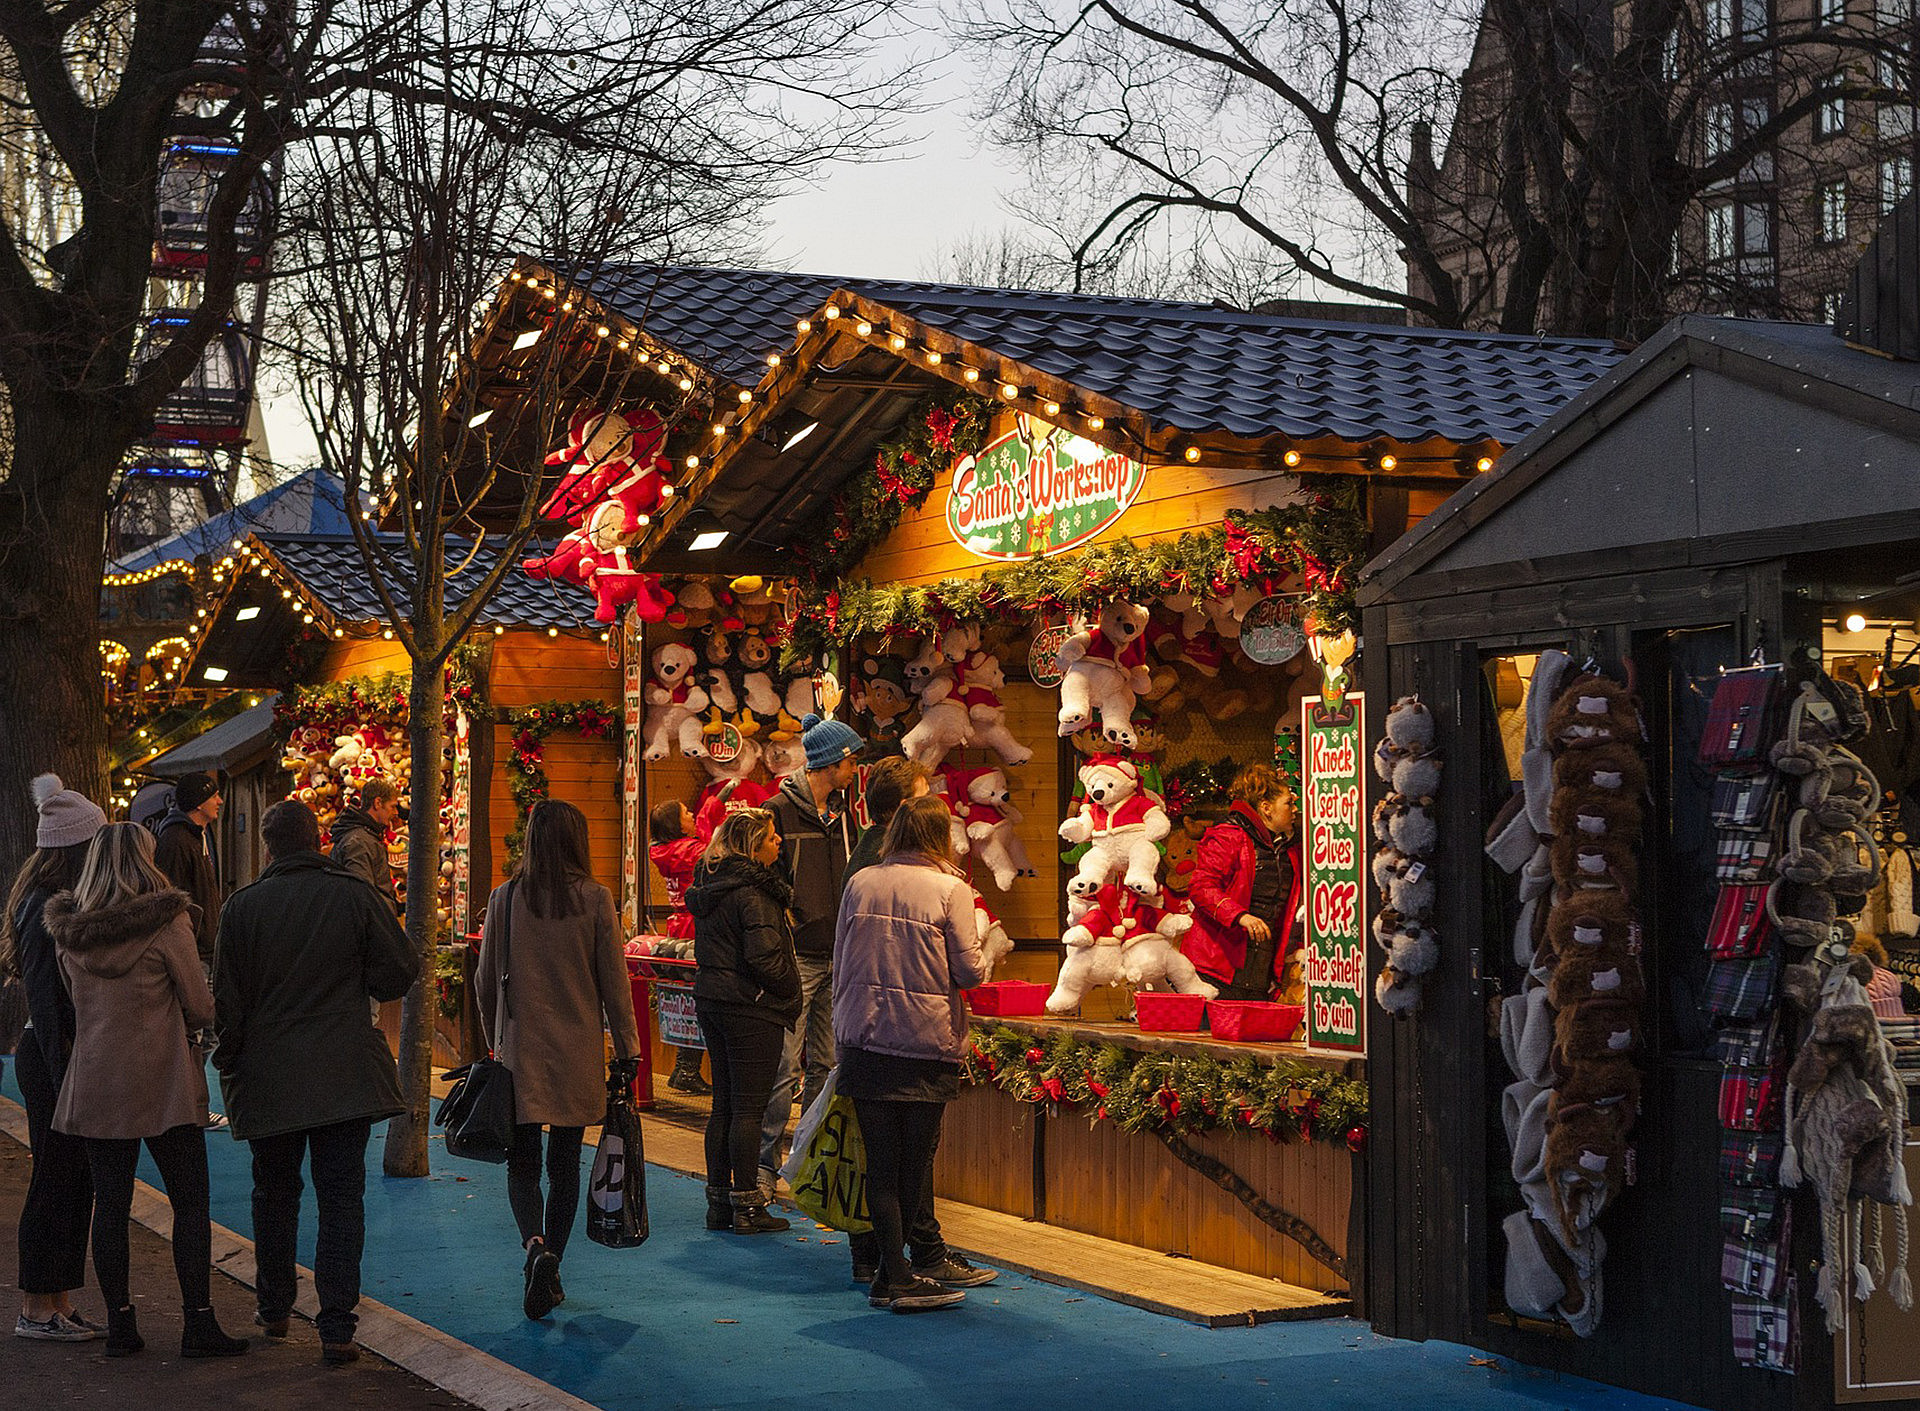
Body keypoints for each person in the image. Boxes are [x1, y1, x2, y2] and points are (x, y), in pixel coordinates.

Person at [212, 799, 417, 1365]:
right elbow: (401, 967)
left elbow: (226, 1000)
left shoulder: (243, 908)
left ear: (269, 848)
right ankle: (337, 1326)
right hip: (343, 1074)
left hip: (270, 1076)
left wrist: (229, 1061)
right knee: (341, 1199)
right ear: (318, 840)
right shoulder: (354, 896)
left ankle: (275, 1307)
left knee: (273, 1194)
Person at [43, 823, 247, 1359]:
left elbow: (73, 1003)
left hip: (96, 1081)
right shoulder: (167, 921)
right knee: (189, 1201)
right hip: (163, 1083)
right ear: (144, 860)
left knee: (109, 1205)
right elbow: (201, 1006)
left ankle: (122, 1324)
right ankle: (198, 1323)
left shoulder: (69, 931)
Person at [475, 799, 642, 1322]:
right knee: (564, 1165)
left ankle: (534, 1247)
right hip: (577, 1053)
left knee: (521, 1164)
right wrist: (629, 1049)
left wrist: (494, 1040)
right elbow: (615, 984)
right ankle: (555, 1265)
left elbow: (484, 983)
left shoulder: (504, 899)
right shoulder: (595, 900)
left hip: (518, 1052)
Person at [833, 796, 991, 1313]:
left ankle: (890, 1273)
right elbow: (970, 973)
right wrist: (984, 943)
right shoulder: (952, 889)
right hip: (923, 1042)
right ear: (940, 837)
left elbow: (840, 958)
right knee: (913, 1165)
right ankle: (897, 1275)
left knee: (880, 1167)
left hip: (864, 1037)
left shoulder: (861, 881)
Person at [5, 774, 105, 1342]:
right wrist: (66, 1071)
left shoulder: (43, 900)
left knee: (68, 1178)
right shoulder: (46, 907)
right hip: (53, 1061)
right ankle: (37, 1307)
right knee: (56, 1177)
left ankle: (55, 1301)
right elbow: (46, 1000)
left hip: (53, 1058)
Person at [756, 712, 864, 1196]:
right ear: (830, 762)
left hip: (838, 951)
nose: (856, 766)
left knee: (826, 1062)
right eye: (850, 758)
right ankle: (763, 1163)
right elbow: (766, 872)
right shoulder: (779, 810)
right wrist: (792, 913)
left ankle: (807, 1163)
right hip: (797, 953)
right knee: (784, 1064)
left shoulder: (847, 813)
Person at [687, 808, 801, 1235]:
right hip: (750, 1006)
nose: (779, 844)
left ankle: (719, 1203)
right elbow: (764, 956)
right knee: (748, 1110)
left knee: (724, 1107)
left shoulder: (712, 883)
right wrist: (791, 988)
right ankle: (748, 1208)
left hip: (713, 1000)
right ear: (754, 846)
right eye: (772, 839)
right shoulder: (756, 891)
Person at [1184, 763, 1304, 1002]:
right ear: (1266, 808)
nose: (1294, 809)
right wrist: (1239, 916)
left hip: (1262, 970)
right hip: (1218, 967)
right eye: (1288, 803)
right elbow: (1201, 887)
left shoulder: (1289, 848)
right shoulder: (1229, 836)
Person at [648, 785, 737, 1095]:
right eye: (686, 813)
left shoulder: (665, 850)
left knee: (691, 1000)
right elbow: (713, 849)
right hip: (696, 928)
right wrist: (714, 808)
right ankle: (686, 1069)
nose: (691, 814)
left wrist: (712, 805)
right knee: (702, 1000)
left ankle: (684, 1069)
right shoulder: (687, 851)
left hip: (681, 927)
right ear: (677, 825)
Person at [150, 771, 222, 975]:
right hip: (192, 952)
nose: (220, 801)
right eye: (214, 796)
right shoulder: (176, 842)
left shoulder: (198, 836)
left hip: (203, 948)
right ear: (198, 802)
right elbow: (171, 895)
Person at [328, 777, 401, 911]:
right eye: (393, 806)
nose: (395, 813)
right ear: (378, 803)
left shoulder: (364, 837)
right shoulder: (359, 842)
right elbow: (361, 897)